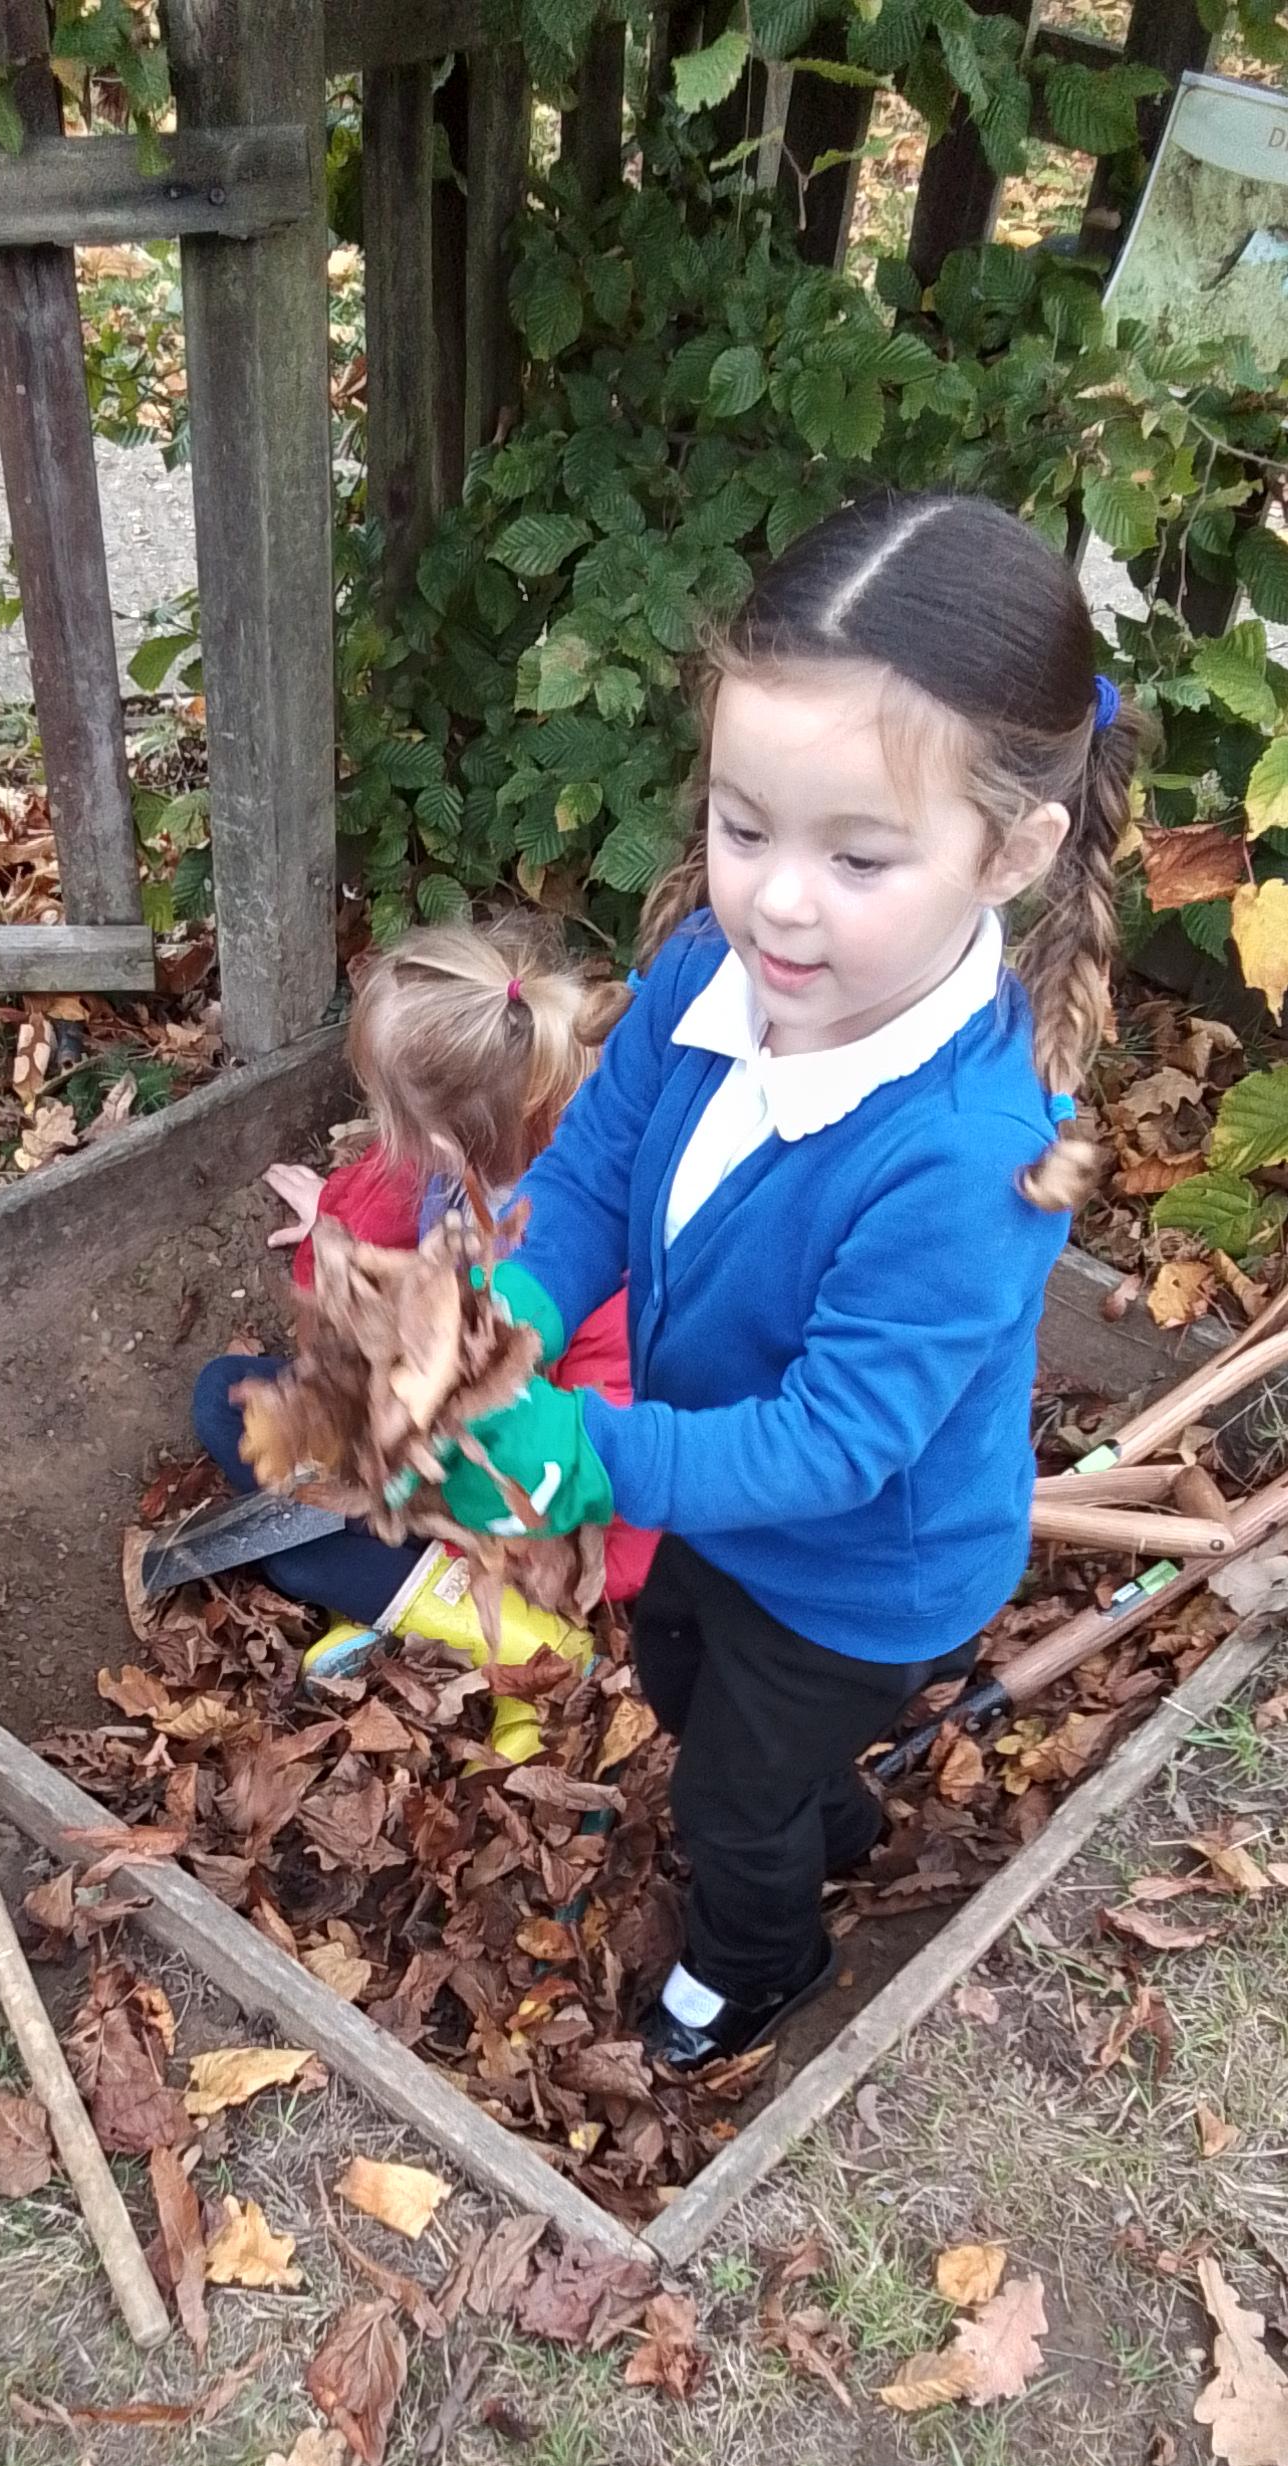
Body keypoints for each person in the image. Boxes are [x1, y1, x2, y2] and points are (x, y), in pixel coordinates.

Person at [437, 489, 1140, 2073]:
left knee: (727, 1797)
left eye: (859, 854)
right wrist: (523, 1300)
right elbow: (596, 1167)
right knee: (681, 1665)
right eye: (744, 828)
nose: (778, 897)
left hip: (863, 1569)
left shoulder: (965, 1155)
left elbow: (838, 1442)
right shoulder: (714, 972)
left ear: (1012, 852)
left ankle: (764, 1959)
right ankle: (834, 1808)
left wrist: (589, 1454)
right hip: (720, 1485)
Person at [190, 917, 655, 1754]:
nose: (383, 1140)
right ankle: (416, 1610)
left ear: (437, 1145)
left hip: (546, 1523)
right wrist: (335, 1225)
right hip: (446, 1464)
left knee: (296, 1552)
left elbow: (603, 1474)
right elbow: (358, 1256)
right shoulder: (461, 1174)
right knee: (227, 1395)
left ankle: (530, 1646)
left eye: (385, 1117)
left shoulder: (598, 1264)